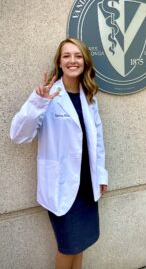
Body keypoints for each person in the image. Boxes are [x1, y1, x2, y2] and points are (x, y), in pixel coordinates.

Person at [10, 38, 108, 269]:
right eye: (66, 56)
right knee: (67, 247)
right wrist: (37, 102)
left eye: (77, 55)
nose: (72, 60)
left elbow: (98, 141)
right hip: (61, 185)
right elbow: (18, 135)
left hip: (87, 183)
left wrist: (101, 175)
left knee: (81, 244)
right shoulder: (48, 96)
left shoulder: (89, 95)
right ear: (59, 62)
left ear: (85, 61)